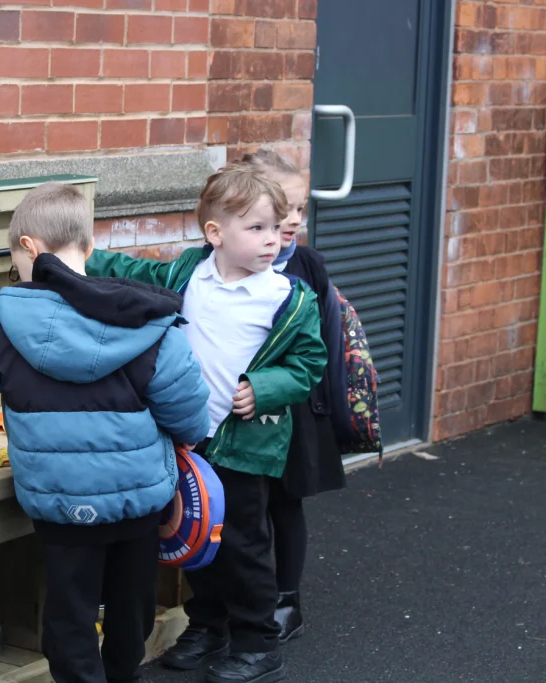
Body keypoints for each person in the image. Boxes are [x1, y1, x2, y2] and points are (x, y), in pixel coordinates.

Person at [0, 181, 211, 683]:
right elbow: (191, 419)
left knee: (69, 618)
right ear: (88, 248)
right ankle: (123, 674)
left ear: (27, 248)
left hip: (63, 508)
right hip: (139, 504)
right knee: (130, 611)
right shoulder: (150, 322)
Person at [85, 165, 327, 683]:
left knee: (244, 545)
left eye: (278, 226)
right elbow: (132, 272)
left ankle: (260, 641)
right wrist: (73, 255)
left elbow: (309, 364)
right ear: (215, 234)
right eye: (258, 228)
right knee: (198, 541)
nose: (274, 238)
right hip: (189, 440)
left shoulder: (287, 296)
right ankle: (209, 623)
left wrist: (266, 387)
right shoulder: (188, 274)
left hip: (244, 444)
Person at [241, 149, 347, 643]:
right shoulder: (225, 264)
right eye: (282, 209)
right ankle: (232, 602)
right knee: (242, 507)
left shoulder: (308, 266)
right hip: (242, 409)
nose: (293, 221)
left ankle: (287, 600)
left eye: (300, 210)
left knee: (285, 506)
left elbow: (324, 345)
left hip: (296, 409)